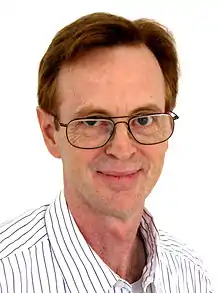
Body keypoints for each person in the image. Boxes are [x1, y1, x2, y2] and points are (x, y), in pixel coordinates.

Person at [0, 12, 215, 293]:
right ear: (50, 133)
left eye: (144, 119)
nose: (122, 149)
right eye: (92, 121)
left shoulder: (190, 275)